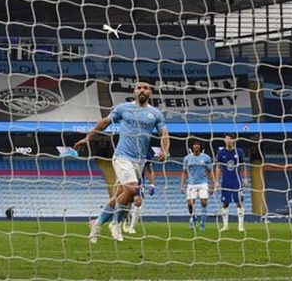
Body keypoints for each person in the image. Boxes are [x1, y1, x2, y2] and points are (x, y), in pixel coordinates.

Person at [75, 80, 169, 244]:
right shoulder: (123, 108)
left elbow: (164, 133)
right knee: (132, 189)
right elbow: (105, 122)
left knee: (121, 195)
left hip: (139, 161)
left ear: (150, 93)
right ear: (134, 92)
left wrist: (165, 149)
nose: (142, 90)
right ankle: (116, 223)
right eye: (138, 88)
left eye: (145, 88)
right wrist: (87, 137)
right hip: (122, 156)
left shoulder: (155, 113)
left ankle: (97, 224)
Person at [214, 133, 248, 232]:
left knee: (239, 202)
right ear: (224, 140)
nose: (228, 141)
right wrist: (217, 181)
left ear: (234, 140)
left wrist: (245, 178)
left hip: (237, 182)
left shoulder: (239, 152)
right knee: (225, 203)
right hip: (225, 182)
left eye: (230, 139)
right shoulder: (220, 153)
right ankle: (225, 226)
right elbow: (218, 167)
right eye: (227, 139)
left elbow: (243, 165)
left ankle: (240, 226)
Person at [180, 138, 215, 231]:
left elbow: (210, 171)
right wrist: (182, 184)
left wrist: (213, 184)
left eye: (198, 144)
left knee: (204, 202)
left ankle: (202, 224)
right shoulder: (187, 158)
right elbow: (184, 172)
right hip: (191, 184)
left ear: (200, 146)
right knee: (190, 204)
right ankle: (193, 217)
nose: (196, 146)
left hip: (203, 183)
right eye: (194, 144)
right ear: (192, 146)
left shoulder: (206, 158)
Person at [122, 160, 156, 235]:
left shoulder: (147, 154)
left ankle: (132, 227)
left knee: (138, 202)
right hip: (128, 179)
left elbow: (150, 171)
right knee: (127, 202)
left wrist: (152, 185)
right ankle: (127, 220)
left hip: (140, 181)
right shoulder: (128, 151)